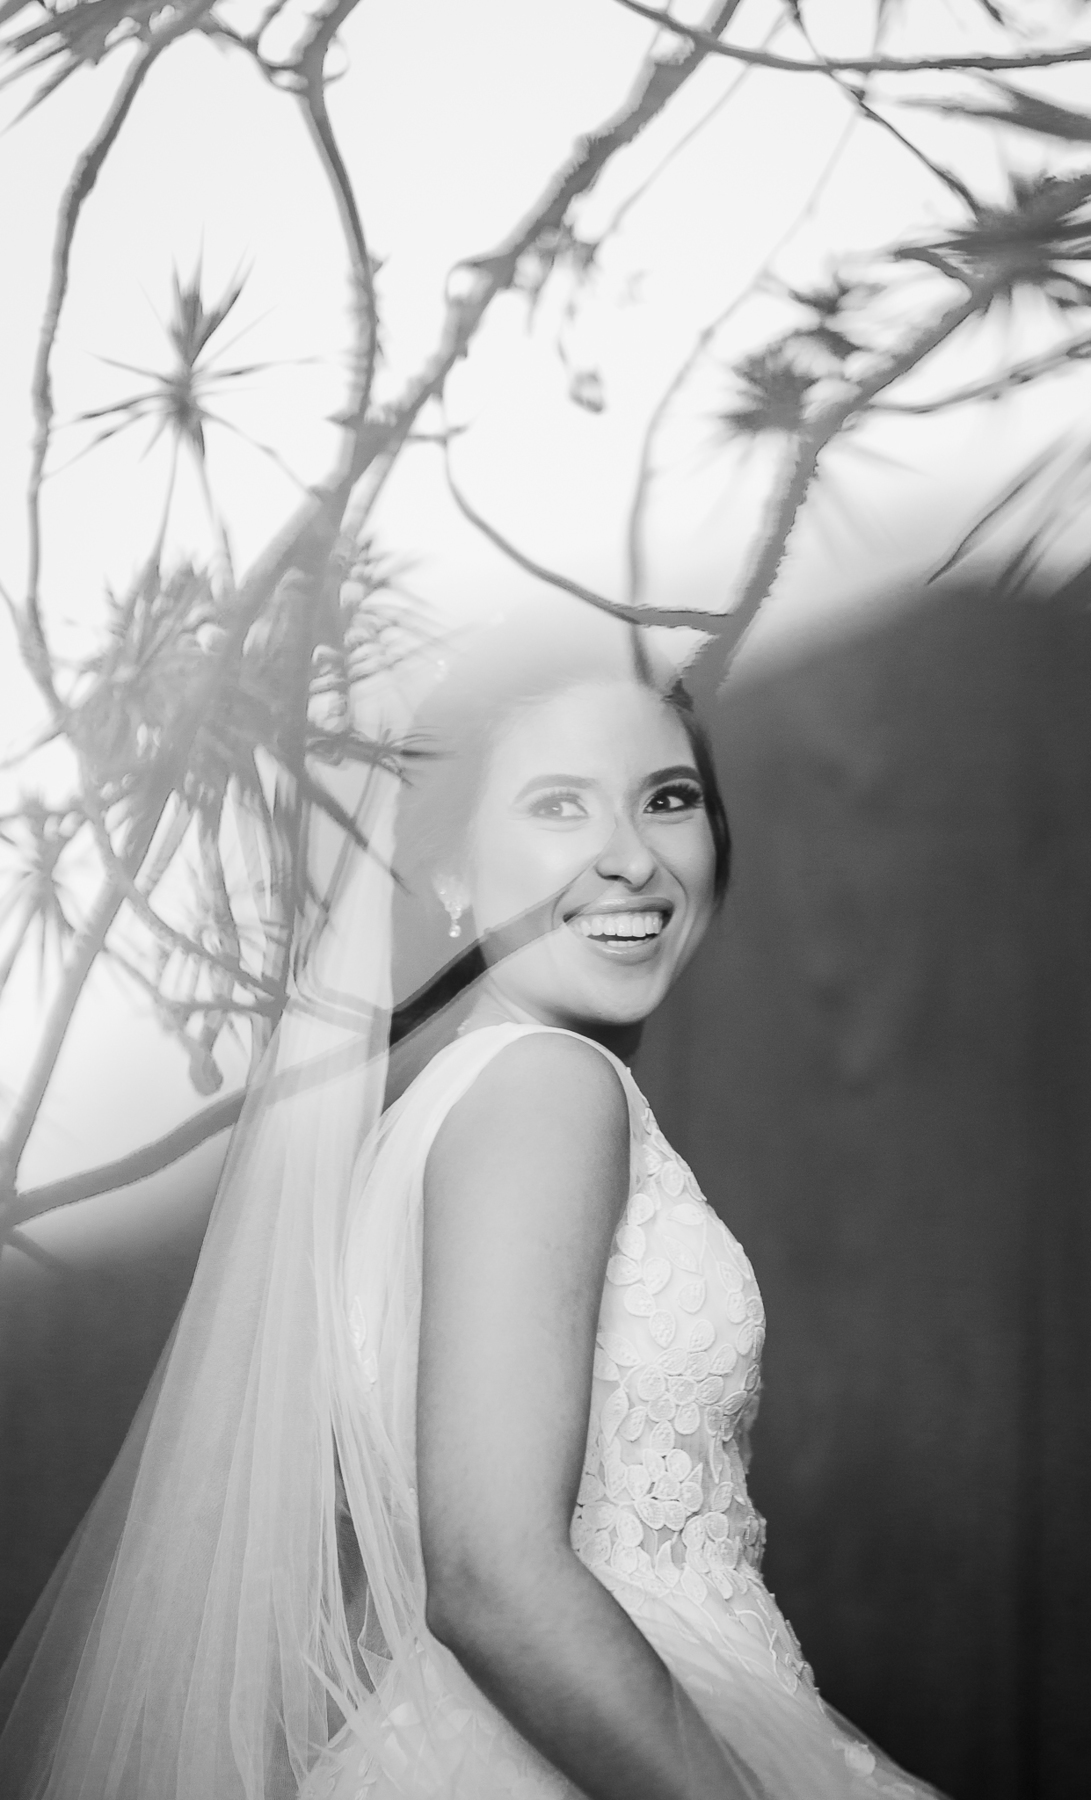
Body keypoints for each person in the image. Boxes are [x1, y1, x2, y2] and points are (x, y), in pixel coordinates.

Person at [0, 621, 944, 1799]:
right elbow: (491, 1577)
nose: (631, 858)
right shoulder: (549, 1087)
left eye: (666, 799)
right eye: (559, 806)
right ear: (452, 872)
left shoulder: (441, 1114)